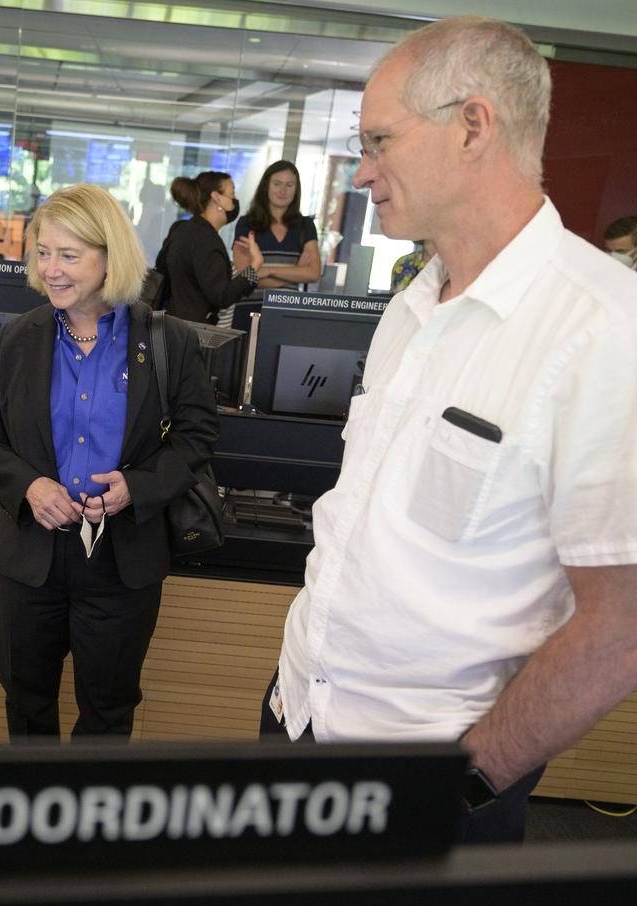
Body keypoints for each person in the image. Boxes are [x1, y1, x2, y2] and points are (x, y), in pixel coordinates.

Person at [263, 16, 637, 845]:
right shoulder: (412, 303)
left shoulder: (604, 331)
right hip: (298, 717)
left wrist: (470, 779)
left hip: (424, 784)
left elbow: (621, 628)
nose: (362, 172)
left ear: (473, 125)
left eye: (380, 141)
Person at [0, 183, 219, 740]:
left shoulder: (166, 341)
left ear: (110, 258)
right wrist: (30, 486)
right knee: (26, 701)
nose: (51, 270)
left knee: (107, 712)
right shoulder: (17, 339)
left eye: (69, 255)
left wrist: (137, 487)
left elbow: (198, 437)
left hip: (120, 559)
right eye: (43, 253)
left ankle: (87, 822)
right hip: (30, 557)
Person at [154, 171, 262, 324]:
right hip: (194, 334)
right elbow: (222, 296)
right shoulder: (206, 239)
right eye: (231, 194)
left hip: (172, 326)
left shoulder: (181, 229)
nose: (234, 201)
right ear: (216, 198)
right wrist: (255, 265)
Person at [232, 160, 321, 290]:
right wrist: (296, 272)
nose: (282, 190)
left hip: (287, 309)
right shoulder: (246, 224)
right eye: (277, 184)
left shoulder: (305, 225)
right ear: (266, 186)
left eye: (289, 185)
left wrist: (267, 270)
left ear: (296, 190)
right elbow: (245, 279)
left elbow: (313, 274)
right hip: (250, 308)